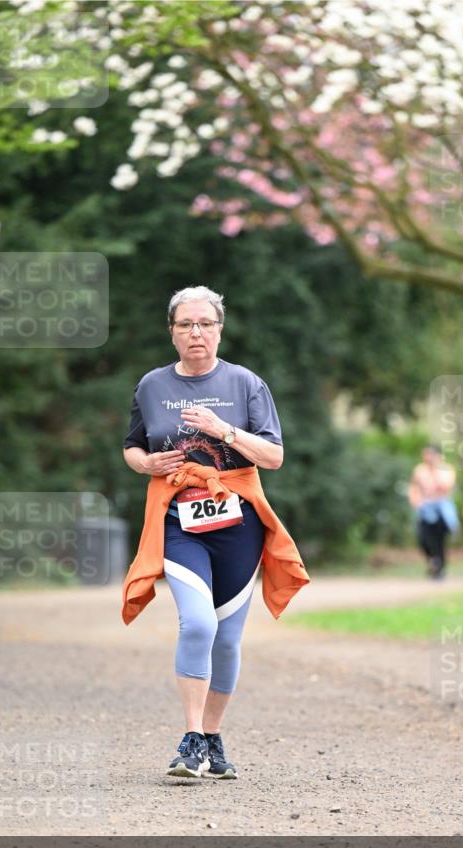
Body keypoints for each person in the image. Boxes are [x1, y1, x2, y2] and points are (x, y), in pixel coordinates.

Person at [122, 285, 309, 780]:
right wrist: (146, 465)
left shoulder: (246, 384)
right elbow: (132, 446)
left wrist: (221, 429)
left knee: (226, 639)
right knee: (198, 624)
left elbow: (273, 456)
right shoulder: (152, 386)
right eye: (186, 324)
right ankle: (191, 740)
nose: (196, 332)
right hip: (179, 523)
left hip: (238, 526)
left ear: (220, 329)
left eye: (205, 323)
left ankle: (212, 736)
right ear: (172, 332)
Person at [408, 444, 459, 579]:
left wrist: (434, 470)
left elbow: (445, 487)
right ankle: (433, 561)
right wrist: (414, 499)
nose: (428, 458)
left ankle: (440, 567)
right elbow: (413, 486)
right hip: (425, 507)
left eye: (431, 455)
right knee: (423, 538)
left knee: (439, 539)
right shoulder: (419, 470)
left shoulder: (446, 470)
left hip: (441, 507)